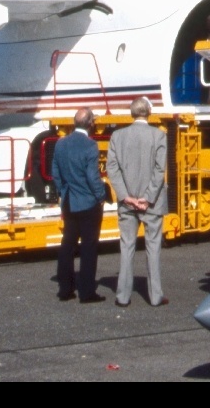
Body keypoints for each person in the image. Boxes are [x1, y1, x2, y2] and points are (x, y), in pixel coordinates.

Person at [106, 97, 168, 307]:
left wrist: (126, 196)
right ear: (148, 112)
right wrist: (148, 197)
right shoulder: (159, 135)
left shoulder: (117, 136)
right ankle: (155, 296)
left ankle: (123, 296)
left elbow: (112, 169)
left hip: (127, 202)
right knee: (153, 248)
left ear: (132, 113)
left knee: (127, 247)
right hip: (152, 202)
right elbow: (160, 170)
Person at [50, 108, 108, 303]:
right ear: (91, 123)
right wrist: (101, 195)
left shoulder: (61, 144)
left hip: (69, 201)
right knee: (89, 248)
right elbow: (93, 176)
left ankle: (65, 289)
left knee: (67, 245)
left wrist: (62, 191)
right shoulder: (90, 146)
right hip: (88, 202)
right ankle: (87, 291)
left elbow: (56, 172)